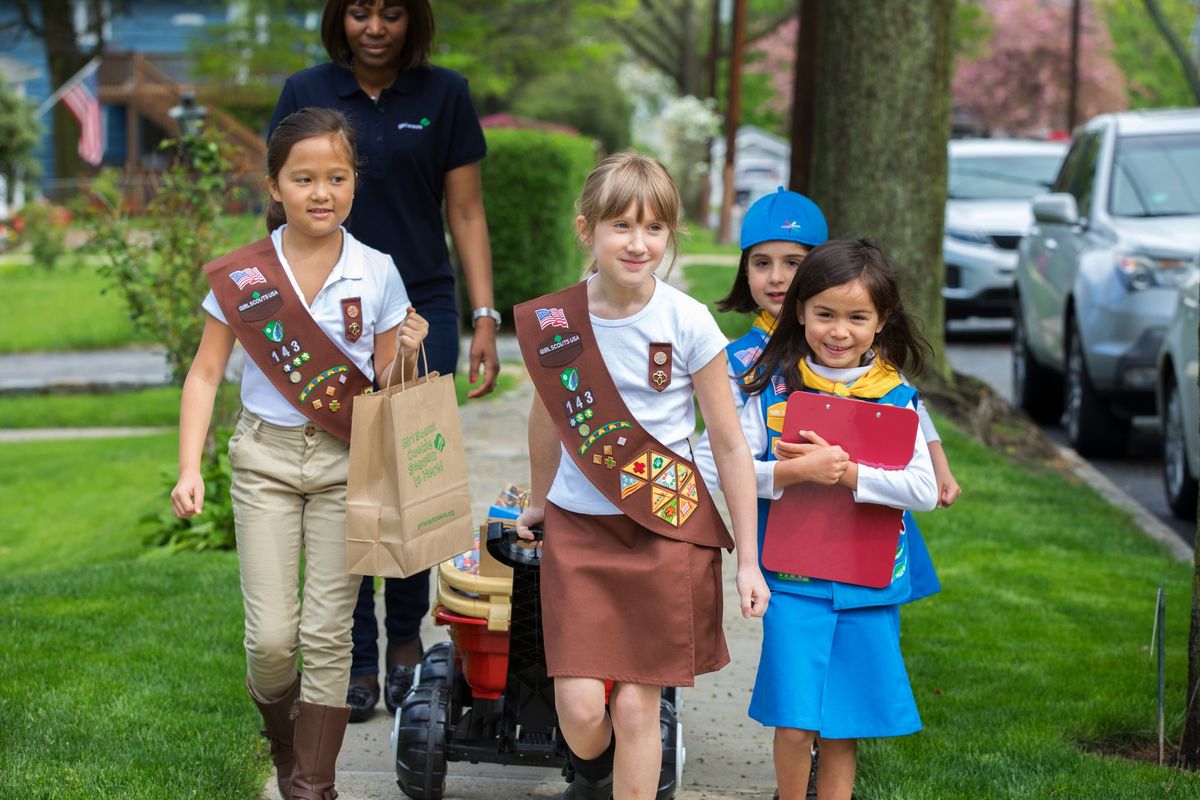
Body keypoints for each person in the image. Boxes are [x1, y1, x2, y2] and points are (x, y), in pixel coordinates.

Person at [170, 107, 429, 799]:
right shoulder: (245, 277)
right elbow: (202, 374)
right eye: (304, 178)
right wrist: (190, 467)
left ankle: (312, 786)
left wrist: (404, 352)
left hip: (348, 464)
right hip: (264, 462)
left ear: (354, 183)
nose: (322, 192)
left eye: (337, 177)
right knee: (273, 642)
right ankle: (285, 745)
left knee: (326, 634)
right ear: (274, 186)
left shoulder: (377, 272)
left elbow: (386, 393)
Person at [513, 151, 769, 800]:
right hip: (580, 529)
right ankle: (594, 772)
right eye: (621, 226)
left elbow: (730, 446)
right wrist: (541, 502)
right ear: (587, 230)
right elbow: (546, 422)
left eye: (654, 228)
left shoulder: (686, 321)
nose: (638, 243)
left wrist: (748, 561)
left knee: (635, 707)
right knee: (578, 710)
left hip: (665, 527)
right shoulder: (556, 323)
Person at [270, 0, 501, 721]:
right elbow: (279, 207)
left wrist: (486, 316)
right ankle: (359, 658)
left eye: (391, 13)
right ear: (340, 19)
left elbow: (464, 212)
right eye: (361, 12)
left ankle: (405, 640)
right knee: (347, 474)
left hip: (417, 308)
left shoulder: (446, 94)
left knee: (408, 472)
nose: (375, 28)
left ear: (414, 21)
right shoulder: (305, 93)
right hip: (326, 303)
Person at [729, 238, 939, 800]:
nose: (838, 331)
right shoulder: (769, 384)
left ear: (881, 320)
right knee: (795, 725)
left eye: (856, 317)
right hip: (793, 583)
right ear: (799, 312)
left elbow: (922, 487)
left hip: (867, 586)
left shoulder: (896, 397)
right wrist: (795, 473)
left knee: (844, 729)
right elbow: (727, 469)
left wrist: (849, 475)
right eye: (824, 314)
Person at [716, 188, 960, 507]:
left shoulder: (866, 360)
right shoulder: (744, 362)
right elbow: (726, 459)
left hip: (872, 526)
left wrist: (936, 460)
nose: (778, 278)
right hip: (782, 526)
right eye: (762, 263)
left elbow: (906, 401)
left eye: (793, 263)